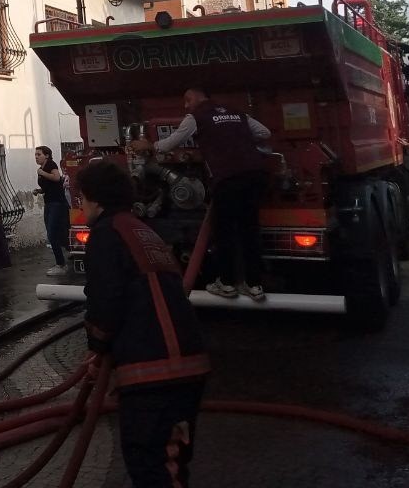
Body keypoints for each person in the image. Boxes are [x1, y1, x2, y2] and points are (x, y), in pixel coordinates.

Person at [78, 159, 210, 488]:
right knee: (169, 463)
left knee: (151, 465)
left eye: (81, 198)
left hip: (155, 371)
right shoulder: (139, 229)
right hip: (180, 365)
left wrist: (96, 347)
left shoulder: (106, 234)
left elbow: (105, 299)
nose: (80, 207)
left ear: (95, 198)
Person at [130, 87, 272, 301]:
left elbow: (171, 143)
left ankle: (226, 283)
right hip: (255, 175)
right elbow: (264, 133)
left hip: (228, 178)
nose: (186, 106)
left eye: (187, 101)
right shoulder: (237, 112)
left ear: (195, 98)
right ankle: (254, 285)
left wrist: (150, 146)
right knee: (249, 229)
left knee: (224, 231)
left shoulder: (196, 116)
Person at [35, 146, 69, 276]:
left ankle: (61, 264)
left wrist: (42, 173)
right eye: (35, 155)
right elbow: (49, 185)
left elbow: (56, 178)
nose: (36, 157)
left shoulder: (50, 164)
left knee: (52, 234)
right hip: (49, 202)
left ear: (47, 155)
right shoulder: (41, 168)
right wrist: (39, 190)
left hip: (57, 203)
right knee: (54, 232)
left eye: (39, 154)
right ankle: (64, 258)